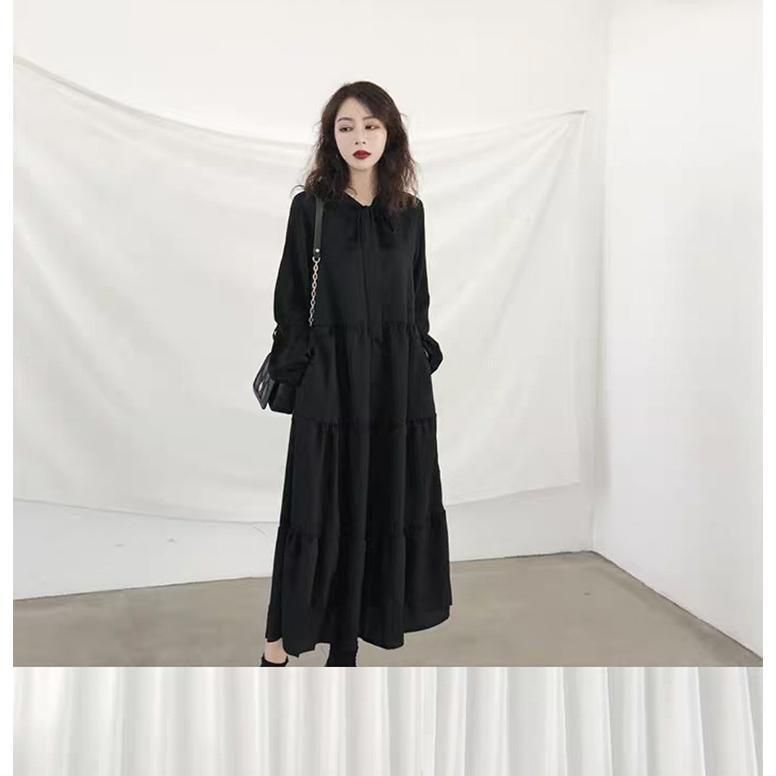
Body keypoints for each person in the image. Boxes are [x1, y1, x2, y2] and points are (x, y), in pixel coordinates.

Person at [260, 82, 452, 667]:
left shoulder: (409, 213)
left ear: (390, 134)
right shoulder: (311, 208)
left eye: (371, 125)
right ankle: (278, 644)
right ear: (331, 137)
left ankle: (346, 650)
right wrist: (304, 370)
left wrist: (418, 358)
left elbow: (417, 298)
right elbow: (291, 300)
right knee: (318, 507)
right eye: (346, 127)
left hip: (395, 383)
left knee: (379, 504)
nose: (359, 137)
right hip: (331, 380)